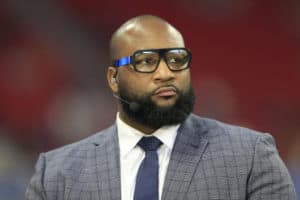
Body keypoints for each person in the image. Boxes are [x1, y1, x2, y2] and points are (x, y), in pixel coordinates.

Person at [25, 15, 297, 200]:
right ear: (113, 79)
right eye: (146, 62)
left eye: (177, 60)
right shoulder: (57, 172)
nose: (166, 73)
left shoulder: (250, 156)